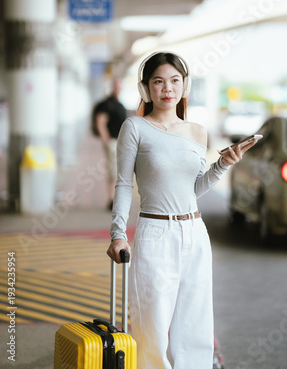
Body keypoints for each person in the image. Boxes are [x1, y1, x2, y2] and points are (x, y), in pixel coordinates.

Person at [106, 51, 258, 369]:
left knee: (195, 328)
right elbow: (123, 184)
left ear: (185, 85)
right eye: (158, 81)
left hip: (195, 233)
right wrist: (118, 234)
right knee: (153, 329)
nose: (167, 89)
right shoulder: (135, 127)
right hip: (155, 233)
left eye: (175, 80)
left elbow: (194, 189)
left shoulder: (197, 132)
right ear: (146, 88)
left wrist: (222, 165)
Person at [95, 78, 127, 210]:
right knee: (113, 171)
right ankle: (111, 199)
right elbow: (100, 122)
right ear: (112, 87)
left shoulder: (119, 103)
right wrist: (106, 140)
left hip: (119, 141)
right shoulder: (108, 104)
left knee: (118, 170)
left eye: (120, 86)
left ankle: (115, 199)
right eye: (116, 86)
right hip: (113, 142)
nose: (118, 88)